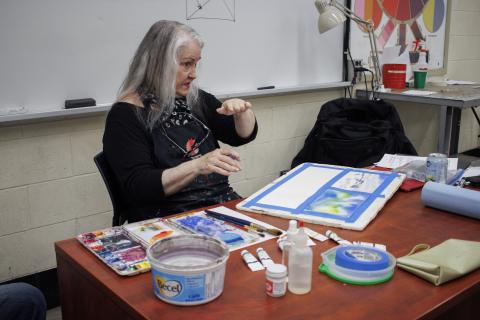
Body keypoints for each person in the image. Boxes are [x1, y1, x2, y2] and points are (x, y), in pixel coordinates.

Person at [103, 20, 257, 223]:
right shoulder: (126, 115)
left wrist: (242, 112)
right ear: (159, 64)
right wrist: (197, 166)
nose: (194, 74)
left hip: (217, 206)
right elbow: (139, 187)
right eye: (186, 64)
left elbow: (240, 136)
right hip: (167, 217)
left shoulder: (194, 98)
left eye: (196, 64)